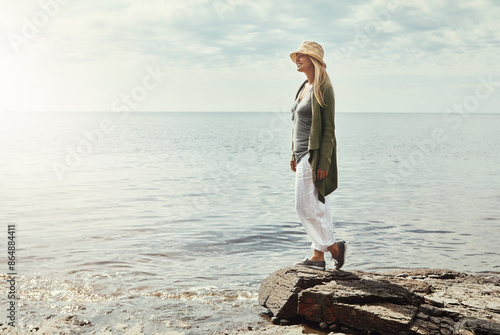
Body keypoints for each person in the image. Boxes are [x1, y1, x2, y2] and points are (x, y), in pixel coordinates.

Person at [289, 41, 346, 271]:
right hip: (301, 154)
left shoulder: (323, 88)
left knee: (303, 206)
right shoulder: (304, 86)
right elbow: (297, 123)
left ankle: (334, 248)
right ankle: (317, 257)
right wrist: (292, 153)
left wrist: (323, 161)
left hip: (314, 156)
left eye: (302, 55)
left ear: (313, 60)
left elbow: (329, 130)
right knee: (318, 207)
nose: (297, 59)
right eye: (297, 55)